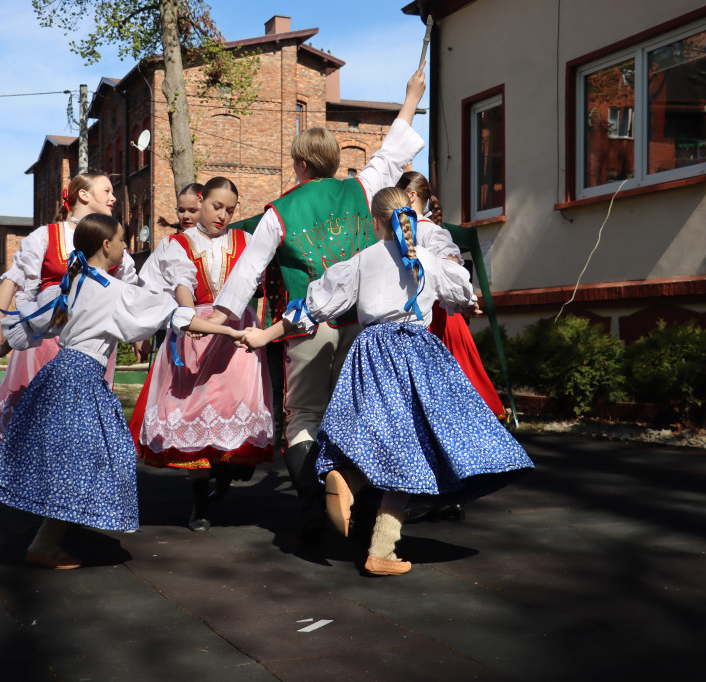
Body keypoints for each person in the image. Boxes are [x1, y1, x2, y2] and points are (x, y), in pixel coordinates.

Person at [242, 188, 534, 575]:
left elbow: (313, 308)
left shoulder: (361, 260)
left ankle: (353, 487)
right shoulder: (427, 258)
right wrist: (468, 302)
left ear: (374, 222)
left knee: (397, 448)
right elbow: (461, 293)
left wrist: (264, 335)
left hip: (373, 355)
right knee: (417, 450)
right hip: (418, 358)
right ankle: (375, 537)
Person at [208, 63, 432, 542]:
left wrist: (220, 315)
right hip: (361, 325)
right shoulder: (362, 187)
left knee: (304, 415)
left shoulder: (279, 210)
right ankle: (362, 504)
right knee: (357, 411)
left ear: (300, 164)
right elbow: (393, 153)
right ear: (333, 161)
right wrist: (411, 94)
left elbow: (248, 270)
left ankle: (311, 508)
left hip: (307, 326)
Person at [0, 214, 246, 569]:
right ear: (106, 245)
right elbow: (175, 315)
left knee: (76, 457)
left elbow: (34, 320)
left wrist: (2, 342)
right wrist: (231, 332)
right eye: (121, 240)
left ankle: (47, 536)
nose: (125, 247)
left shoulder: (71, 283)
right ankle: (45, 542)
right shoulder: (112, 290)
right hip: (81, 378)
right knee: (97, 457)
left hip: (60, 373)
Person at [132, 177, 274, 532]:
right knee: (194, 412)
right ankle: (199, 501)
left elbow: (261, 279)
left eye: (230, 209)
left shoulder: (245, 241)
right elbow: (181, 285)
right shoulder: (178, 244)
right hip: (196, 332)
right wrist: (189, 317)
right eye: (216, 206)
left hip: (237, 338)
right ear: (202, 201)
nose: (223, 215)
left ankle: (226, 474)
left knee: (229, 410)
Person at [0, 171, 140, 450]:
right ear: (83, 195)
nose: (113, 197)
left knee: (82, 424)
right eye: (107, 191)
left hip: (92, 343)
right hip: (44, 340)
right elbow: (14, 281)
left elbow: (129, 291)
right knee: (36, 419)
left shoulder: (111, 240)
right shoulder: (46, 236)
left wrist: (138, 335)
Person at [397, 170, 506, 420]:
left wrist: (466, 300)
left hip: (438, 316)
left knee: (457, 386)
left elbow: (452, 266)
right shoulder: (404, 232)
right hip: (419, 317)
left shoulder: (429, 231)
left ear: (411, 196)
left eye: (398, 195)